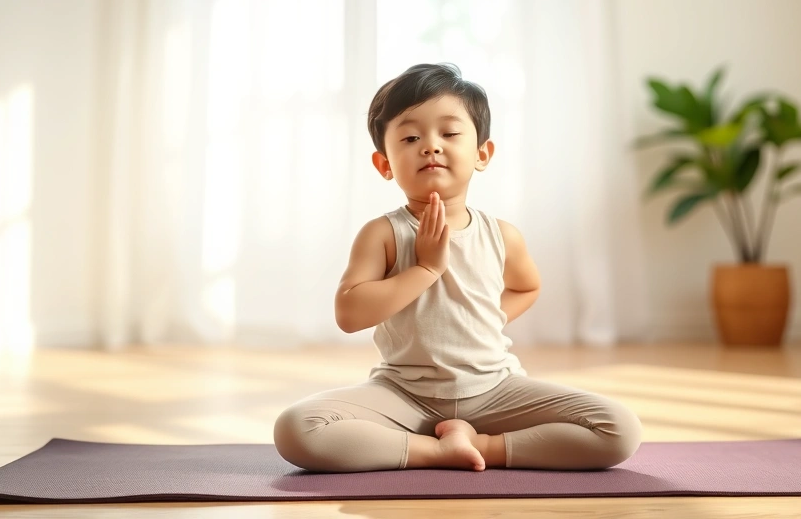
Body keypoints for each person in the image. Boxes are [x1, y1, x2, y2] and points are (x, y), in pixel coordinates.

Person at [274, 63, 641, 472]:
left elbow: (526, 287)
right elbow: (349, 314)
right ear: (385, 165)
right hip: (402, 394)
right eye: (411, 137)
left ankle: (484, 444)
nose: (431, 146)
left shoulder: (502, 235)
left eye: (449, 133)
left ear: (482, 154)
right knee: (297, 428)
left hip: (495, 389)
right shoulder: (382, 234)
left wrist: (484, 318)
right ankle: (434, 450)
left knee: (618, 430)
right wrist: (425, 270)